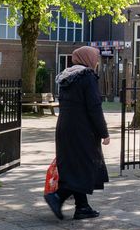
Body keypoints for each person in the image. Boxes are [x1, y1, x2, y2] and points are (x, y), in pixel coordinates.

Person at [44, 45, 110, 221]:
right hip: (82, 129)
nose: (96, 61)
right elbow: (94, 107)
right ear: (88, 59)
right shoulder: (87, 77)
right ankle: (57, 197)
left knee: (75, 165)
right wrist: (104, 132)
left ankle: (82, 207)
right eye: (95, 57)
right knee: (84, 165)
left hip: (65, 127)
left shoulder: (68, 76)